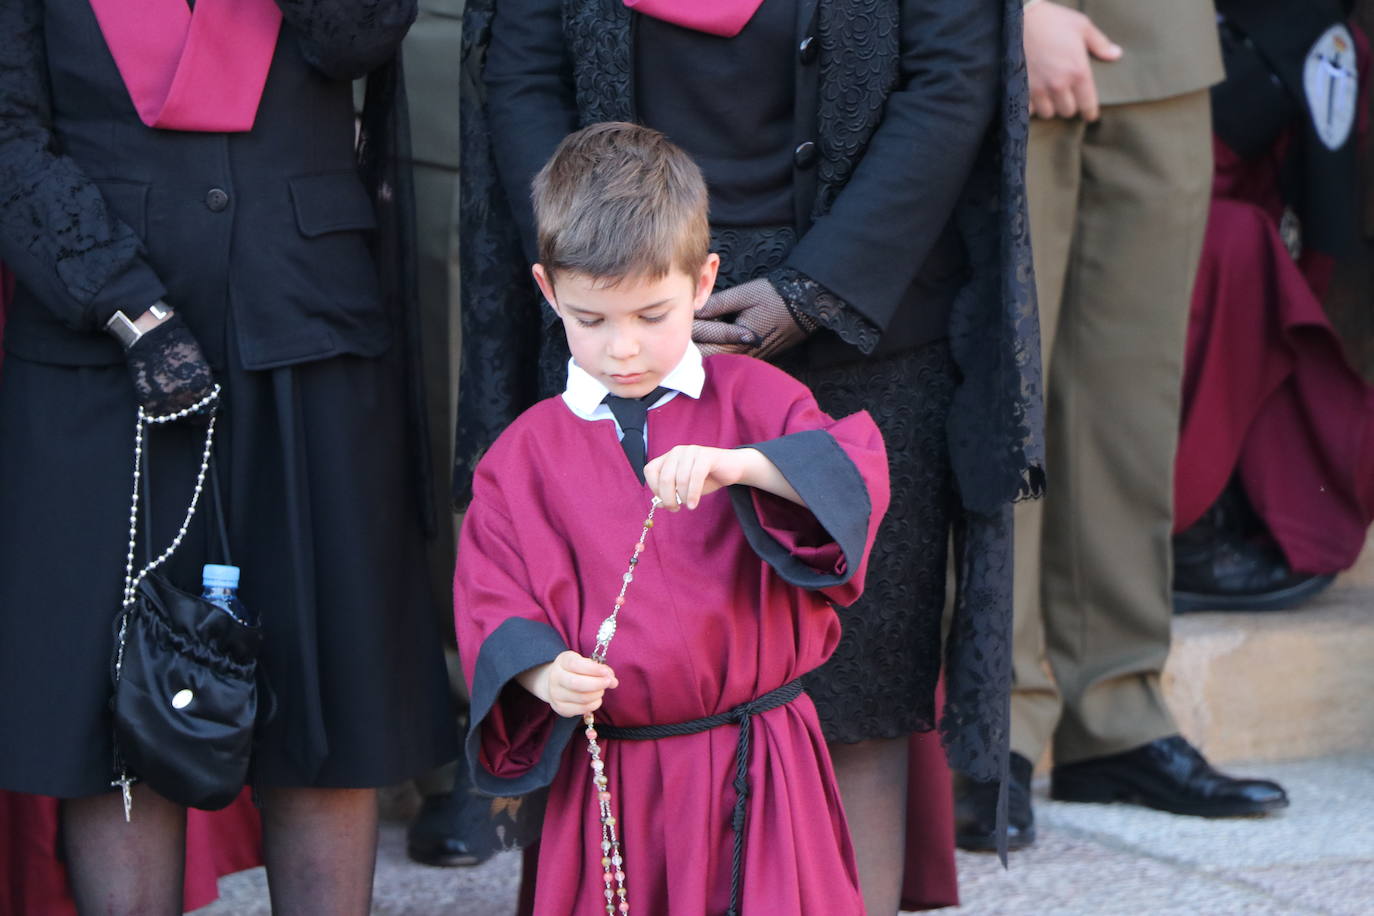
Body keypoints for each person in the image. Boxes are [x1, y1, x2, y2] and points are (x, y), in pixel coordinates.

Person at [456, 0, 1043, 905]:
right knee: (624, 663)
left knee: (862, 692)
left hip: (865, 320)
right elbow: (525, 71)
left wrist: (816, 290)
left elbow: (951, 74)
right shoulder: (609, 337)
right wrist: (615, 285)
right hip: (628, 284)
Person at [0, 2, 457, 913]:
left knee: (325, 703)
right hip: (98, 352)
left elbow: (358, 36)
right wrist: (122, 301)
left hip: (309, 326)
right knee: (115, 713)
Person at [455, 122, 891, 914]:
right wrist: (543, 673)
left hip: (762, 767)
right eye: (591, 320)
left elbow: (854, 474)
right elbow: (493, 600)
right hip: (616, 783)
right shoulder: (520, 457)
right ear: (548, 292)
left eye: (652, 315)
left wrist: (742, 466)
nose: (623, 349)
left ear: (703, 282)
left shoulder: (759, 401)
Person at [956, 0, 1288, 852]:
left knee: (1128, 405)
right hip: (993, 40)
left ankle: (1117, 710)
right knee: (1004, 390)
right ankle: (993, 724)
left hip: (1162, 39)